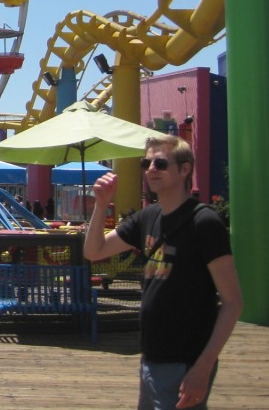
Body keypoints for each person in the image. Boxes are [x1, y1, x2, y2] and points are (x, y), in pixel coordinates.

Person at [84, 135, 242, 410]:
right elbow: (94, 251)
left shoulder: (203, 222)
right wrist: (100, 204)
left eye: (160, 163)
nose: (151, 170)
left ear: (185, 169)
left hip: (185, 360)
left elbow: (232, 302)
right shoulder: (149, 217)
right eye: (147, 163)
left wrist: (203, 367)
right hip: (152, 358)